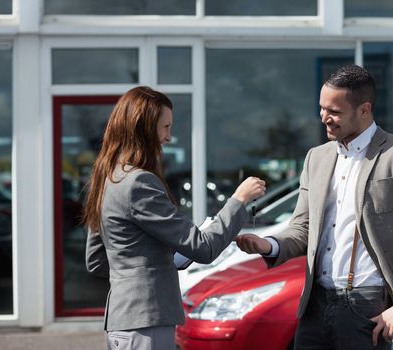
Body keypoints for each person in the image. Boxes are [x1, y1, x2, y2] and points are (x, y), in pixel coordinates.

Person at [235, 64, 393, 350]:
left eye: (335, 112)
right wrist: (268, 245)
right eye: (322, 108)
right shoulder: (316, 157)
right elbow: (303, 228)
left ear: (365, 110)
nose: (325, 118)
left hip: (366, 305)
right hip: (314, 303)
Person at [83, 86, 266, 350]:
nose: (168, 137)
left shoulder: (108, 178)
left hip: (122, 321)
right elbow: (203, 247)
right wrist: (239, 200)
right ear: (143, 128)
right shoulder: (139, 182)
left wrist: (152, 262)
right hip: (147, 320)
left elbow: (97, 260)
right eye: (165, 127)